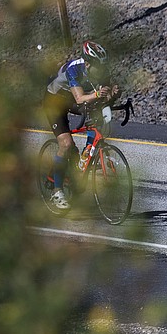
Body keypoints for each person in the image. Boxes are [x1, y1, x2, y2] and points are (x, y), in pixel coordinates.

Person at [41, 40, 118, 209]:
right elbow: (80, 98)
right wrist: (97, 94)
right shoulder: (74, 69)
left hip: (73, 99)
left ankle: (80, 165)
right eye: (99, 66)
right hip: (55, 101)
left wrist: (113, 95)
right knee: (66, 143)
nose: (101, 70)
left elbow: (104, 97)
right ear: (88, 64)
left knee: (96, 122)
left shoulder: (99, 69)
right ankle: (57, 191)